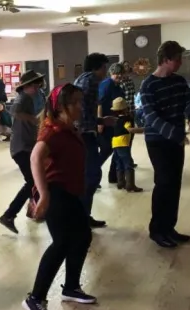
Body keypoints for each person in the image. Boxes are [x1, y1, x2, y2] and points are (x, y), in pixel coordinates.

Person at [22, 84, 96, 310]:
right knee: (62, 242)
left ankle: (71, 287)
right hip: (56, 193)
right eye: (74, 103)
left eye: (80, 102)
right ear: (60, 107)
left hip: (70, 192)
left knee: (83, 236)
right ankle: (36, 298)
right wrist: (43, 195)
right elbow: (35, 158)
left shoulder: (67, 129)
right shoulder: (52, 132)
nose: (79, 107)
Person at [140, 41, 190, 248]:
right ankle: (157, 230)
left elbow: (189, 100)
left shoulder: (179, 81)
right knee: (164, 183)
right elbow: (151, 117)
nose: (180, 63)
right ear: (165, 60)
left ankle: (169, 228)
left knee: (175, 184)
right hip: (158, 141)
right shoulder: (148, 85)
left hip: (175, 139)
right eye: (177, 59)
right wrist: (175, 134)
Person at [0, 70, 45, 234]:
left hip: (26, 146)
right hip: (21, 148)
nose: (38, 87)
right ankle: (9, 215)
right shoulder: (23, 97)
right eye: (35, 84)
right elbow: (14, 111)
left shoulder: (32, 97)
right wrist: (32, 119)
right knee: (33, 182)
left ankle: (32, 210)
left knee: (34, 182)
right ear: (28, 86)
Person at [74, 53, 114, 228]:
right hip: (83, 134)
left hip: (83, 132)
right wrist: (98, 123)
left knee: (89, 176)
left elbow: (86, 112)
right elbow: (82, 114)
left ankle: (83, 216)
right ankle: (81, 218)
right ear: (97, 68)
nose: (106, 72)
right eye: (104, 68)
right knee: (92, 176)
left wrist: (100, 121)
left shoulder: (83, 79)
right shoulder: (90, 81)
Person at [98, 63, 126, 185]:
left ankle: (113, 176)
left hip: (114, 121)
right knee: (106, 149)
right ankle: (91, 173)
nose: (119, 77)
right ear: (111, 74)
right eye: (116, 75)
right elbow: (99, 103)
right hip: (105, 121)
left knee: (116, 148)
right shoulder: (107, 85)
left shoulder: (118, 86)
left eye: (121, 75)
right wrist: (100, 122)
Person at [110, 97, 144, 192]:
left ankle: (120, 183)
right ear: (125, 109)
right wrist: (143, 130)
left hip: (114, 143)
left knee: (119, 164)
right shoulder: (127, 119)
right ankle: (130, 185)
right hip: (123, 143)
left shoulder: (115, 120)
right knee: (128, 164)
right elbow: (129, 129)